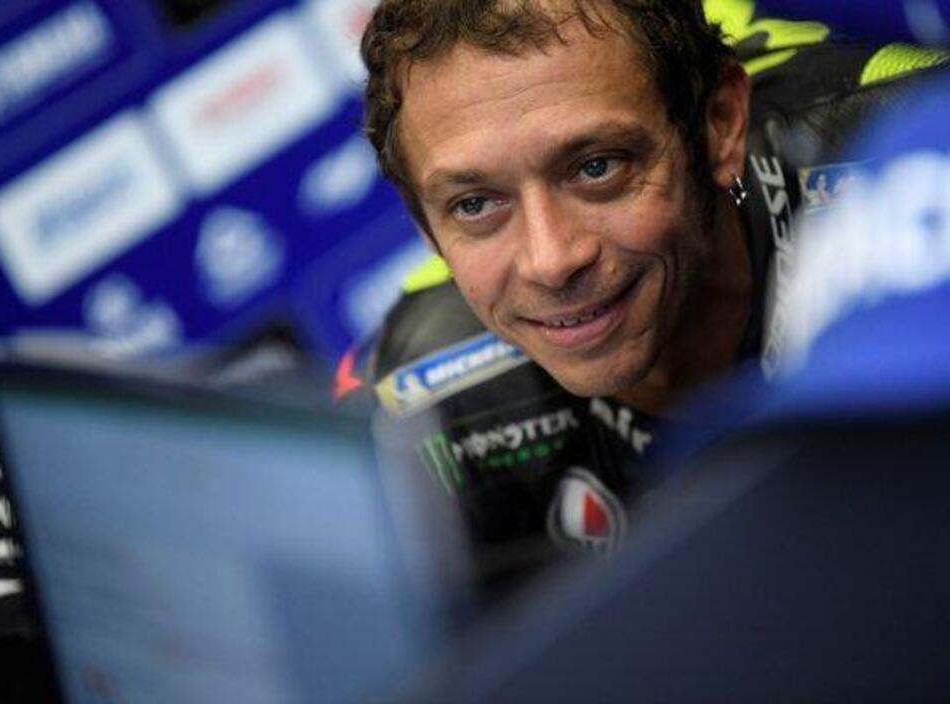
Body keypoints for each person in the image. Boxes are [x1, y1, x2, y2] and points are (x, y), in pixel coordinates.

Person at [337, 0, 949, 584]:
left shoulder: (913, 177)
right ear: (425, 229)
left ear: (720, 126)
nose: (551, 261)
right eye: (475, 205)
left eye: (597, 167)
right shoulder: (413, 405)